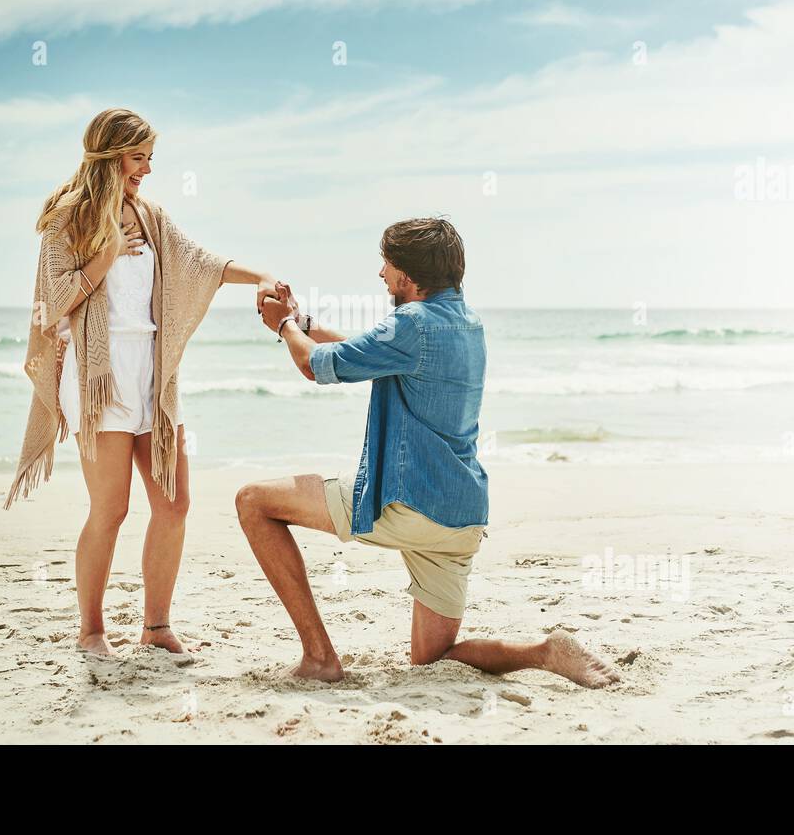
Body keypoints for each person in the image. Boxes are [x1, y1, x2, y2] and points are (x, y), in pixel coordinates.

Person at [236, 217, 622, 688]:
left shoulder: (411, 324)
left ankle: (319, 657)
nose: (381, 274)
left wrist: (284, 326)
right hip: (460, 518)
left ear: (408, 277)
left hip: (408, 504)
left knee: (253, 502)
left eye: (387, 265)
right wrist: (305, 321)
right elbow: (367, 352)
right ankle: (544, 652)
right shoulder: (466, 323)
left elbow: (314, 366)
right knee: (434, 658)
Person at [5, 108, 281, 658]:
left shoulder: (150, 215)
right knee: (111, 510)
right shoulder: (68, 219)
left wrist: (264, 276)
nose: (148, 170)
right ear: (110, 157)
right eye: (138, 158)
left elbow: (200, 262)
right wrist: (103, 259)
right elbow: (48, 305)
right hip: (97, 378)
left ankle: (156, 628)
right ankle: (91, 630)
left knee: (174, 503)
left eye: (151, 159)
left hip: (153, 379)